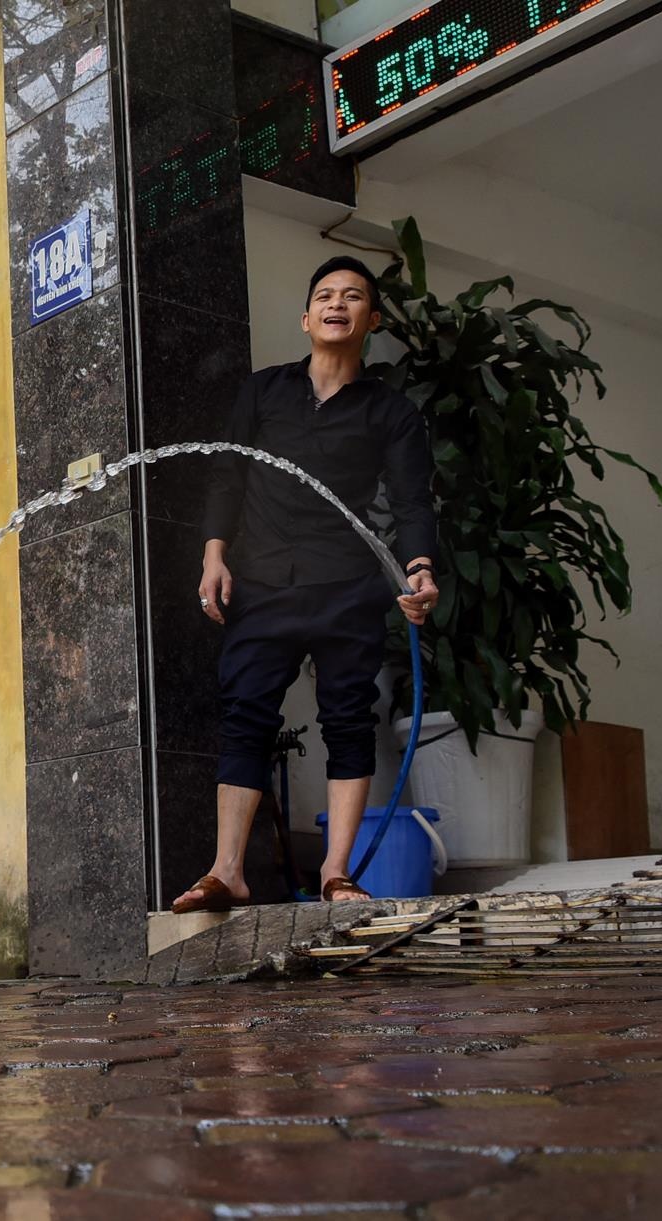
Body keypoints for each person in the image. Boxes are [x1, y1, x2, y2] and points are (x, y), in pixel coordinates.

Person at [173, 255, 439, 912]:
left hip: (347, 585)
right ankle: (227, 870)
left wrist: (421, 571)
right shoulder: (263, 392)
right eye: (325, 294)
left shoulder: (391, 411)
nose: (337, 304)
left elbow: (412, 501)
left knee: (348, 718)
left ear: (370, 320)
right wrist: (215, 555)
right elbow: (228, 475)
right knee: (246, 716)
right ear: (305, 316)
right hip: (261, 580)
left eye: (353, 297)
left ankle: (336, 872)